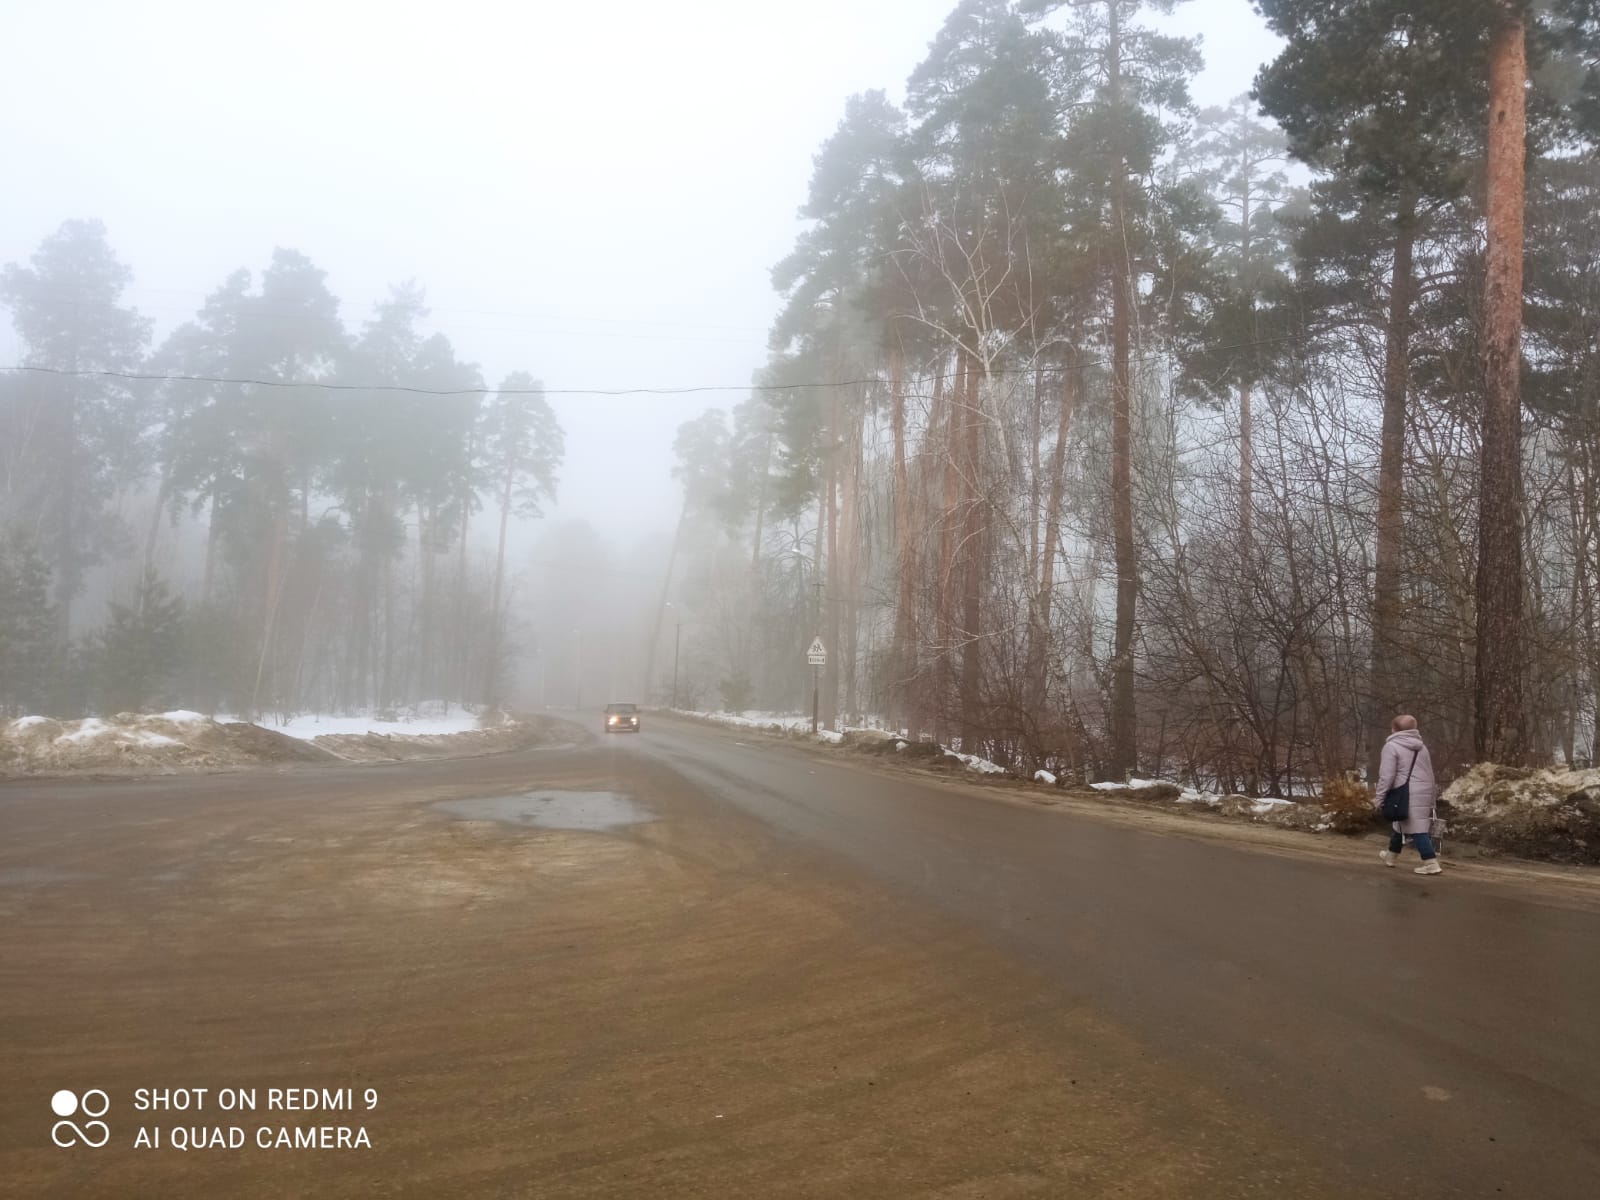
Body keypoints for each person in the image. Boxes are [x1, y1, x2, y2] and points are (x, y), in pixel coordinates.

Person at [1374, 715, 1441, 875]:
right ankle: (1391, 856)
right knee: (1401, 822)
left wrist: (1379, 798)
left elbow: (1387, 776)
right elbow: (1429, 773)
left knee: (1417, 828)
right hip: (1423, 789)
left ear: (1394, 729)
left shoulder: (1391, 747)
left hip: (1405, 791)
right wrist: (1432, 796)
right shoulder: (1421, 747)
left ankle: (1431, 863)